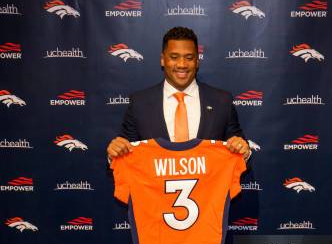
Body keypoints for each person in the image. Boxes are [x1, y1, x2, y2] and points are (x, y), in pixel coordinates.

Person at [106, 26, 251, 160]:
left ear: (197, 61)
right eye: (174, 57)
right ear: (163, 60)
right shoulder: (139, 103)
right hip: (154, 188)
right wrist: (115, 152)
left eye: (189, 57)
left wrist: (243, 150)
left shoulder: (222, 101)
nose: (182, 65)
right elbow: (125, 155)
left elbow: (238, 151)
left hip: (208, 188)